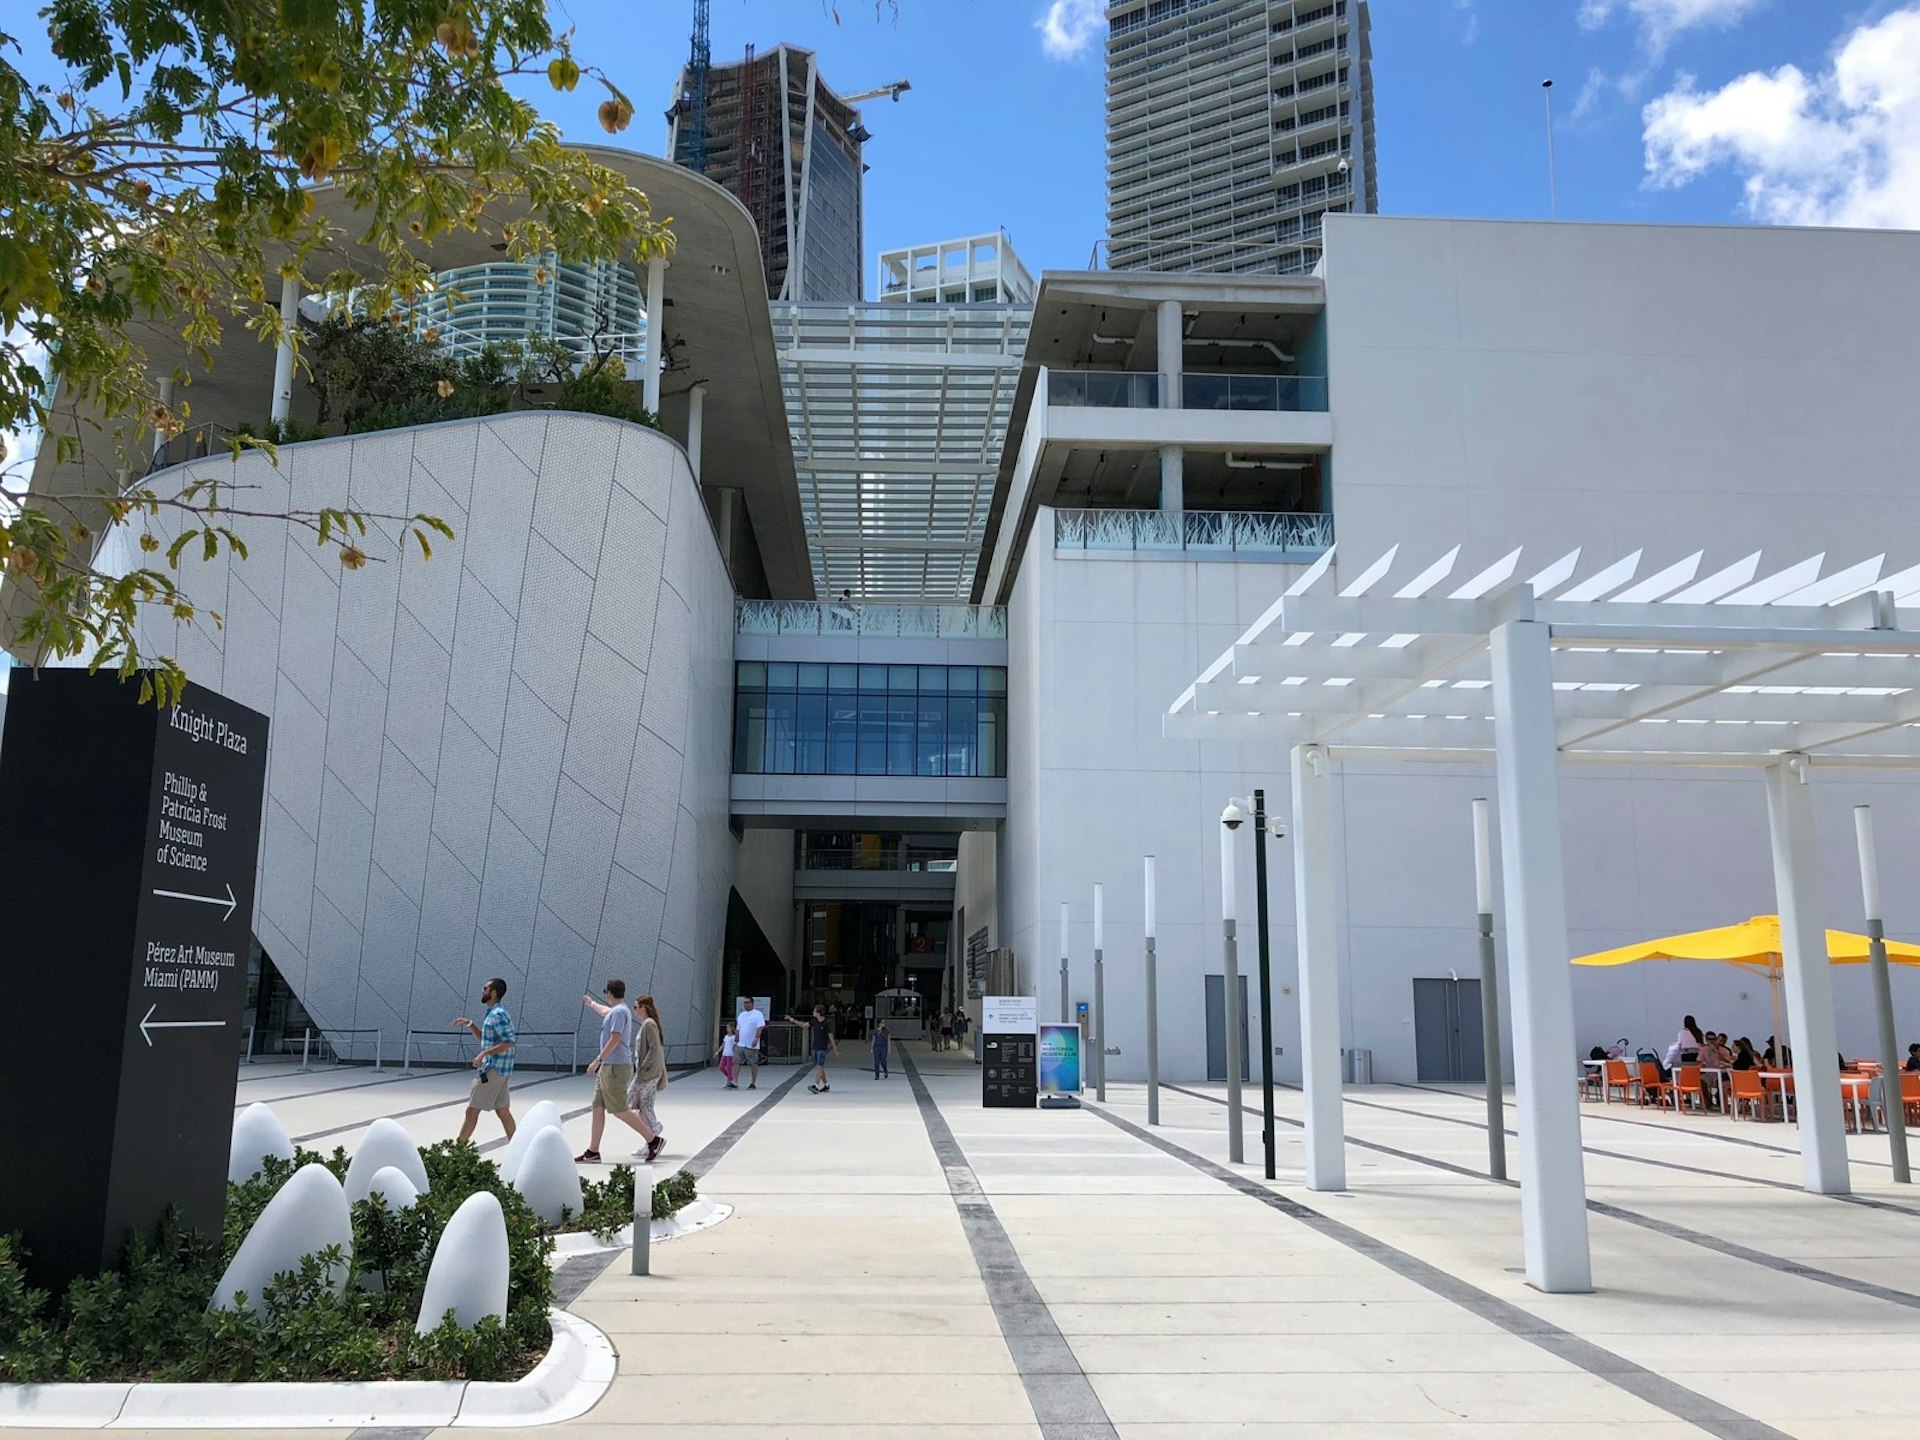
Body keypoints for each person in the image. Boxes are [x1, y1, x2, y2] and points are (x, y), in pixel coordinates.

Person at [577, 980, 661, 1164]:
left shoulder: (620, 1012)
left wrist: (597, 1060)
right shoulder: (617, 1011)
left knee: (620, 1109)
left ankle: (653, 1140)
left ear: (608, 993)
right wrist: (591, 1004)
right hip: (609, 1067)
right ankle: (593, 1150)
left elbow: (615, 1039)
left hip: (615, 1067)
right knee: (597, 1106)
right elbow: (605, 1011)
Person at [454, 978, 517, 1143]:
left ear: (494, 993)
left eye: (485, 989)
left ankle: (458, 1152)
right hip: (500, 1070)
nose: (483, 992)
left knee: (472, 1110)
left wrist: (483, 1054)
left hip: (493, 1070)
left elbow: (508, 1042)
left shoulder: (498, 1015)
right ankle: (519, 1152)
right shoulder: (492, 1013)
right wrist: (470, 1024)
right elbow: (486, 1039)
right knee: (503, 1111)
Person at [629, 993, 669, 1155]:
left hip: (647, 1074)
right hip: (646, 1073)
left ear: (643, 1008)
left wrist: (643, 1068)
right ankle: (651, 1139)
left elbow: (655, 1049)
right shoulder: (647, 1024)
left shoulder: (649, 1024)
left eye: (636, 1007)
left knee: (631, 1103)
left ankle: (653, 1131)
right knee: (643, 1106)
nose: (635, 1010)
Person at [789, 1004, 837, 1093]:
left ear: (819, 1013)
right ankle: (826, 1085)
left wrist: (834, 1049)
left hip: (822, 1048)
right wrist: (792, 1019)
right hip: (815, 1047)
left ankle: (816, 1085)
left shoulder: (826, 1023)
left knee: (819, 1066)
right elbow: (803, 1025)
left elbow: (831, 1037)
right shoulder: (814, 1021)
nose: (813, 1012)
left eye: (814, 1011)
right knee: (820, 1067)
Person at [735, 996, 768, 1090]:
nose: (745, 1004)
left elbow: (760, 1027)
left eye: (747, 1002)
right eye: (744, 1002)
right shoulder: (741, 1015)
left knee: (753, 1063)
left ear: (752, 1003)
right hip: (741, 1043)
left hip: (751, 1044)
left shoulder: (758, 1014)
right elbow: (738, 1028)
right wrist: (736, 1038)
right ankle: (735, 1081)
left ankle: (753, 1082)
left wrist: (756, 1038)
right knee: (736, 1061)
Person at [717, 1021, 738, 1087]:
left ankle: (729, 1081)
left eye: (729, 1028)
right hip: (724, 1054)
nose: (727, 1029)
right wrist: (717, 1052)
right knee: (721, 1067)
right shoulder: (726, 1037)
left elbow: (735, 1046)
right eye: (727, 1028)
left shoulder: (734, 1037)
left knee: (729, 1068)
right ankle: (730, 1077)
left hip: (730, 1055)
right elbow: (723, 1045)